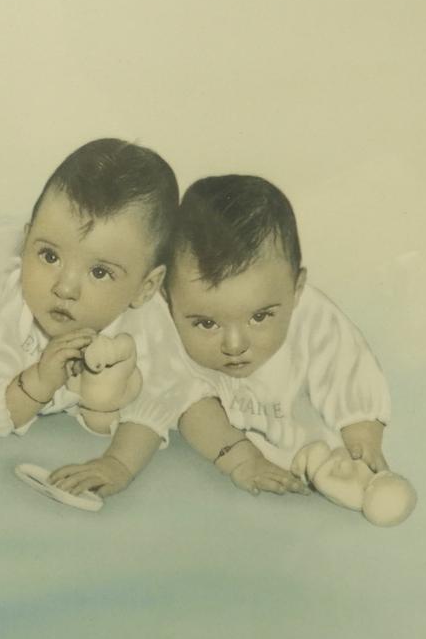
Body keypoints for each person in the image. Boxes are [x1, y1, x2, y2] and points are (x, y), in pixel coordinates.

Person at [0, 138, 194, 503]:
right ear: (27, 242)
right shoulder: (12, 307)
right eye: (49, 256)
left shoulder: (145, 320)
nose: (64, 287)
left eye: (99, 272)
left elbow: (161, 399)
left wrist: (118, 464)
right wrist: (39, 381)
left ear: (145, 287)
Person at [164, 175, 393, 499]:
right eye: (206, 323)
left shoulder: (314, 321)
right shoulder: (166, 326)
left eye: (259, 317)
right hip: (229, 453)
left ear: (296, 290)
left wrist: (362, 438)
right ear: (167, 297)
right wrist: (243, 462)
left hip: (317, 454)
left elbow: (348, 372)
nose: (234, 345)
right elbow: (188, 405)